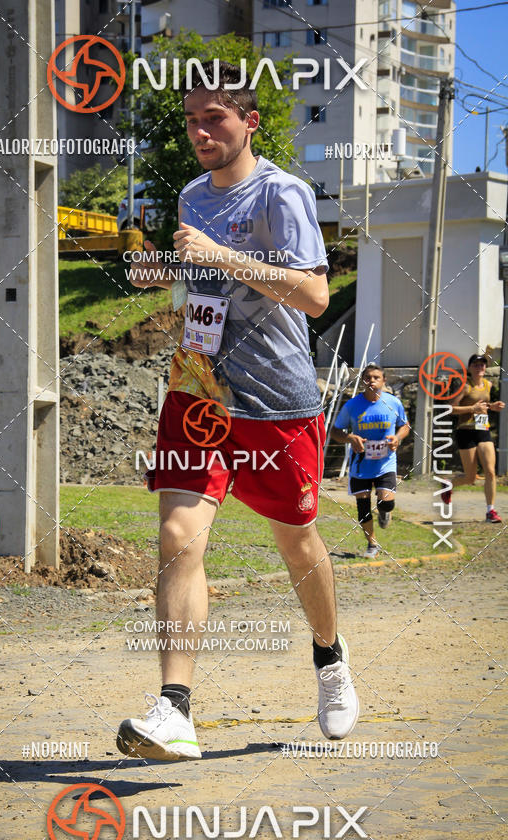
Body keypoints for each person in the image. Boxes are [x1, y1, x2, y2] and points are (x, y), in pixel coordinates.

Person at [116, 60, 359, 761]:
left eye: (214, 118)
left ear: (249, 122)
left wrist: (221, 254)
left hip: (276, 401)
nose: (200, 132)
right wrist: (168, 274)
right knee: (178, 536)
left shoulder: (283, 193)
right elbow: (204, 287)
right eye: (191, 120)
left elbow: (314, 296)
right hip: (199, 393)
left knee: (297, 543)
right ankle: (175, 708)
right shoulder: (191, 196)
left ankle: (329, 656)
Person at [330, 364, 410, 559]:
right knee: (363, 506)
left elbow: (405, 426)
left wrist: (397, 438)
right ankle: (372, 544)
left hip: (385, 463)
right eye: (368, 377)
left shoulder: (393, 403)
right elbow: (335, 431)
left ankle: (384, 511)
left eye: (376, 377)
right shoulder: (352, 405)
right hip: (360, 464)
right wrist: (350, 438)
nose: (372, 380)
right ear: (363, 381)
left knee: (386, 502)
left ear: (383, 381)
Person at [441, 353, 505, 523]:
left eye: (482, 364)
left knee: (490, 471)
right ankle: (448, 484)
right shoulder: (465, 386)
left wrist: (492, 406)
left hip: (483, 430)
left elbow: (483, 406)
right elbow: (450, 408)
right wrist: (472, 408)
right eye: (476, 365)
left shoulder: (488, 385)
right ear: (469, 368)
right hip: (465, 431)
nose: (480, 367)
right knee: (470, 478)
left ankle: (490, 511)